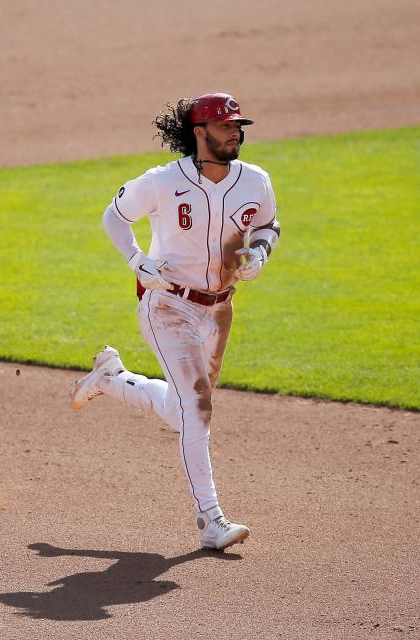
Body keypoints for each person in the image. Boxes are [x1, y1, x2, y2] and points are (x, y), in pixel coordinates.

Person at [69, 93, 281, 551]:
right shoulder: (163, 182)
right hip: (168, 305)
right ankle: (211, 520)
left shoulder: (255, 181)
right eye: (225, 127)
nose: (235, 134)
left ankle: (115, 379)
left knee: (184, 409)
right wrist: (136, 261)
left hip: (219, 311)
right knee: (198, 410)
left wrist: (260, 252)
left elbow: (268, 225)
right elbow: (114, 216)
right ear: (199, 133)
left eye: (238, 126)